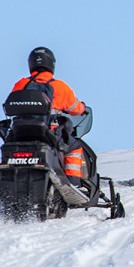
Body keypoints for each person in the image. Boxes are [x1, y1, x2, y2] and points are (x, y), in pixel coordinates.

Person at [10, 46, 89, 185]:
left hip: (20, 132)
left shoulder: (20, 84)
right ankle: (74, 182)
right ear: (51, 64)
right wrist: (83, 108)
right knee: (74, 147)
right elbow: (75, 108)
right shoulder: (59, 86)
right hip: (49, 134)